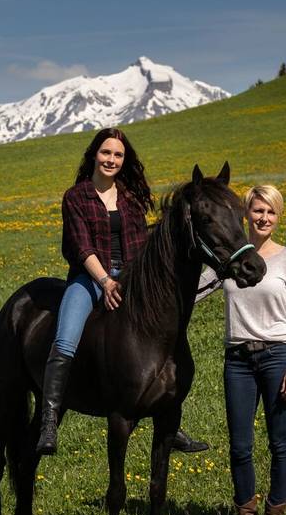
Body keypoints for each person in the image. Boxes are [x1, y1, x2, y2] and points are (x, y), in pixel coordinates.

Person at [35, 127, 209, 456]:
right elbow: (81, 245)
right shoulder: (76, 197)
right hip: (88, 278)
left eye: (118, 155)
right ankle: (48, 418)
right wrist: (105, 282)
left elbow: (143, 244)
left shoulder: (130, 198)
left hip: (130, 277)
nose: (111, 159)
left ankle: (168, 415)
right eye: (106, 153)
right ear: (94, 155)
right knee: (66, 336)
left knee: (160, 336)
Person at [195, 184, 286, 515]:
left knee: (279, 441)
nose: (264, 217)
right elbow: (193, 292)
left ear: (278, 216)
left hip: (277, 356)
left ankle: (274, 514)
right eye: (258, 210)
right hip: (238, 360)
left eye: (271, 211)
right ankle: (245, 513)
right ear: (246, 214)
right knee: (240, 444)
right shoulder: (229, 260)